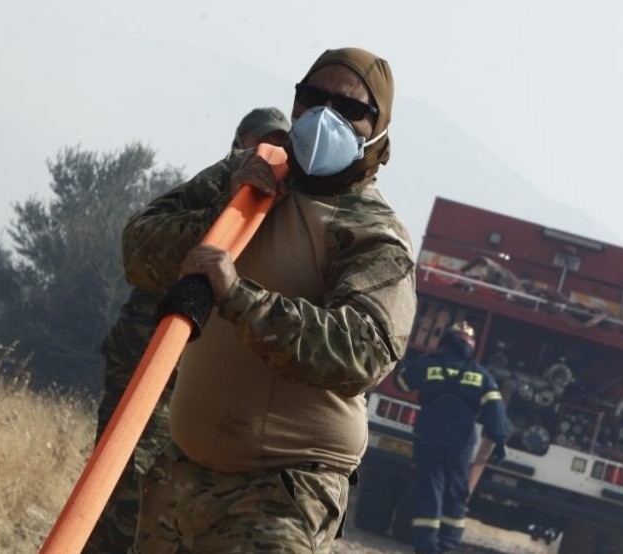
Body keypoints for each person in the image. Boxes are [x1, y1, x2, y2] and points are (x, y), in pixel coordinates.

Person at [122, 47, 417, 553]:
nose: (326, 116)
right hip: (182, 477)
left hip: (282, 491)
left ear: (379, 129)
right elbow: (139, 251)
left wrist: (238, 297)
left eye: (349, 109)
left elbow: (361, 353)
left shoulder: (372, 234)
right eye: (313, 98)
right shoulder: (247, 173)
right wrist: (218, 217)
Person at [82, 107, 291, 554]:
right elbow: (142, 249)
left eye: (279, 146)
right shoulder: (210, 189)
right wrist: (223, 215)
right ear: (239, 142)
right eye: (260, 142)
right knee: (123, 486)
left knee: (176, 503)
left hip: (210, 388)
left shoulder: (285, 210)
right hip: (148, 363)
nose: (267, 154)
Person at [395, 321, 509, 554]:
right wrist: (499, 440)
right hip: (461, 445)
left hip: (430, 438)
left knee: (430, 490)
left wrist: (410, 360)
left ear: (445, 342)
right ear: (472, 346)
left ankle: (427, 547)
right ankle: (447, 546)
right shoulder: (480, 375)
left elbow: (402, 383)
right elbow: (496, 409)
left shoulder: (429, 365)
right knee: (457, 493)